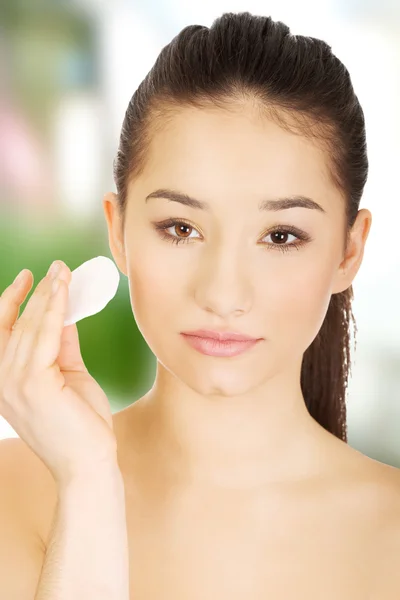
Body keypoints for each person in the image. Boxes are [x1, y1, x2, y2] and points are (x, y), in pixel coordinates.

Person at [0, 11, 399, 600]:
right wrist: (87, 484)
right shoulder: (14, 494)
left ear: (349, 250)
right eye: (181, 228)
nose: (223, 295)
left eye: (281, 236)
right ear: (118, 232)